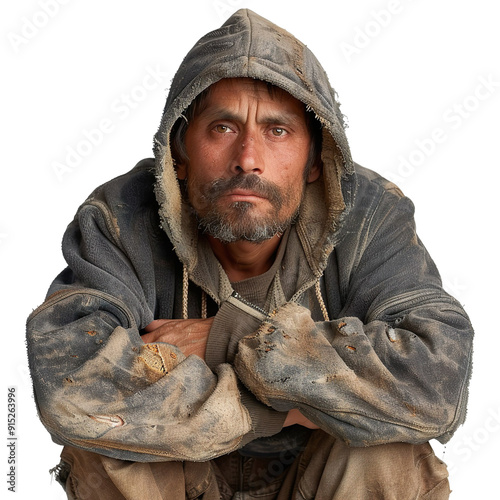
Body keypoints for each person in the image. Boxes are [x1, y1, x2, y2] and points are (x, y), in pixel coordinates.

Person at [26, 9, 474, 500]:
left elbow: (435, 382)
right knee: (100, 452)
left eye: (278, 130)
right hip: (181, 478)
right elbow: (72, 387)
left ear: (313, 162)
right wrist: (285, 406)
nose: (248, 157)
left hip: (319, 479)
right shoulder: (119, 217)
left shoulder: (371, 216)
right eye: (222, 127)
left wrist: (230, 340)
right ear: (179, 152)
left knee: (386, 451)